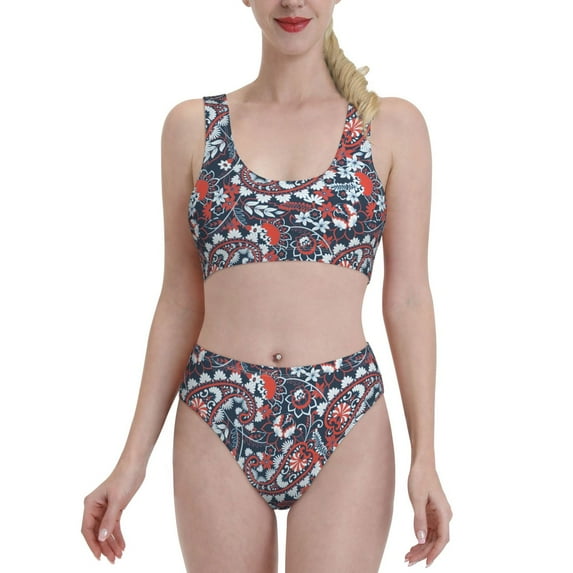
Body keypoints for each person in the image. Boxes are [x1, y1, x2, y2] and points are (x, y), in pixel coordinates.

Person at [81, 0, 452, 570]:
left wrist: (425, 457)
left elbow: (408, 299)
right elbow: (179, 300)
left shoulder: (390, 125)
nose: (292, 2)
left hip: (344, 410)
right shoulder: (192, 126)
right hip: (218, 408)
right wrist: (131, 462)